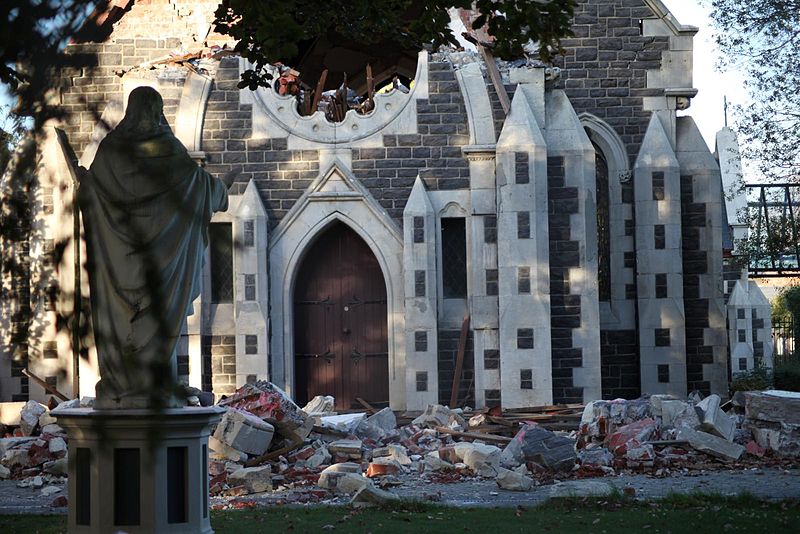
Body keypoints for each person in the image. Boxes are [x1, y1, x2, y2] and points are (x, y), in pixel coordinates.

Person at [79, 86, 228, 409]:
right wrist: (218, 188)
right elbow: (199, 185)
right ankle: (156, 384)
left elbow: (92, 191)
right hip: (164, 266)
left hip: (117, 263)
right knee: (159, 320)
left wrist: (86, 184)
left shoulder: (111, 150)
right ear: (158, 110)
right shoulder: (169, 150)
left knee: (121, 325)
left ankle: (122, 385)